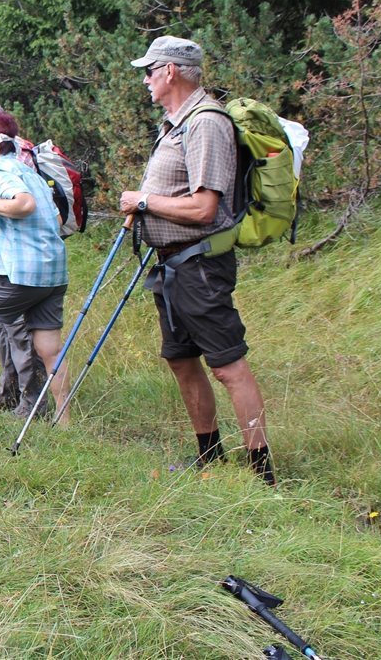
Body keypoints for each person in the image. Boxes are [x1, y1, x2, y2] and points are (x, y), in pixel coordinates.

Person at [119, 36, 275, 484]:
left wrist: (143, 201)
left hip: (200, 265)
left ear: (170, 71)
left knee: (226, 364)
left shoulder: (205, 122)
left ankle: (262, 473)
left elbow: (205, 208)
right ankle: (210, 457)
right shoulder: (176, 123)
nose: (145, 80)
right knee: (181, 359)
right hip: (172, 265)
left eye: (149, 71)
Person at [0, 112, 70, 422]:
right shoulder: (28, 171)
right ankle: (65, 420)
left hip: (21, 272)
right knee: (49, 347)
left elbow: (24, 205)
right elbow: (50, 216)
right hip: (53, 272)